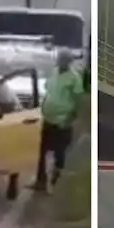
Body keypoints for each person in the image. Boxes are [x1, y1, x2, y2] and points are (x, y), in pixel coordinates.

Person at [31, 49, 84, 193]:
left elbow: (79, 100)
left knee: (59, 153)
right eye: (60, 59)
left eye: (64, 60)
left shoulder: (74, 78)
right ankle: (40, 181)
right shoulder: (53, 72)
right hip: (48, 118)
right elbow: (48, 89)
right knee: (41, 150)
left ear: (69, 62)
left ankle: (57, 184)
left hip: (63, 121)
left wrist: (72, 117)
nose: (61, 62)